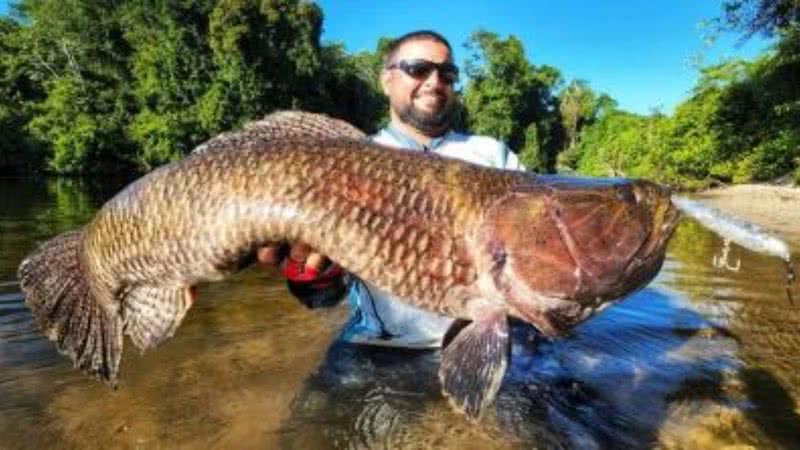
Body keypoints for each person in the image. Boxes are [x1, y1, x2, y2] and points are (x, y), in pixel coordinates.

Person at [258, 29, 524, 348]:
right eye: (418, 69)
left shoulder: (494, 154)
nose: (435, 81)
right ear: (386, 80)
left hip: (489, 341)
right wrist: (309, 273)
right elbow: (321, 301)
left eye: (447, 73)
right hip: (380, 349)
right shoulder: (341, 159)